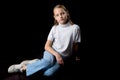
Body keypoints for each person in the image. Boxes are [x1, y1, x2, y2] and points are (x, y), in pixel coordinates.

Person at [8, 4, 81, 78]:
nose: (60, 16)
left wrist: (76, 57)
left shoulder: (75, 28)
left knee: (48, 74)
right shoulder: (54, 28)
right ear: (55, 17)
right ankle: (23, 68)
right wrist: (57, 55)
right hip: (52, 51)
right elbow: (47, 46)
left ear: (67, 13)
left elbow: (75, 45)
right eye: (57, 15)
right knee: (48, 61)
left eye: (62, 13)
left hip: (64, 57)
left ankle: (36, 63)